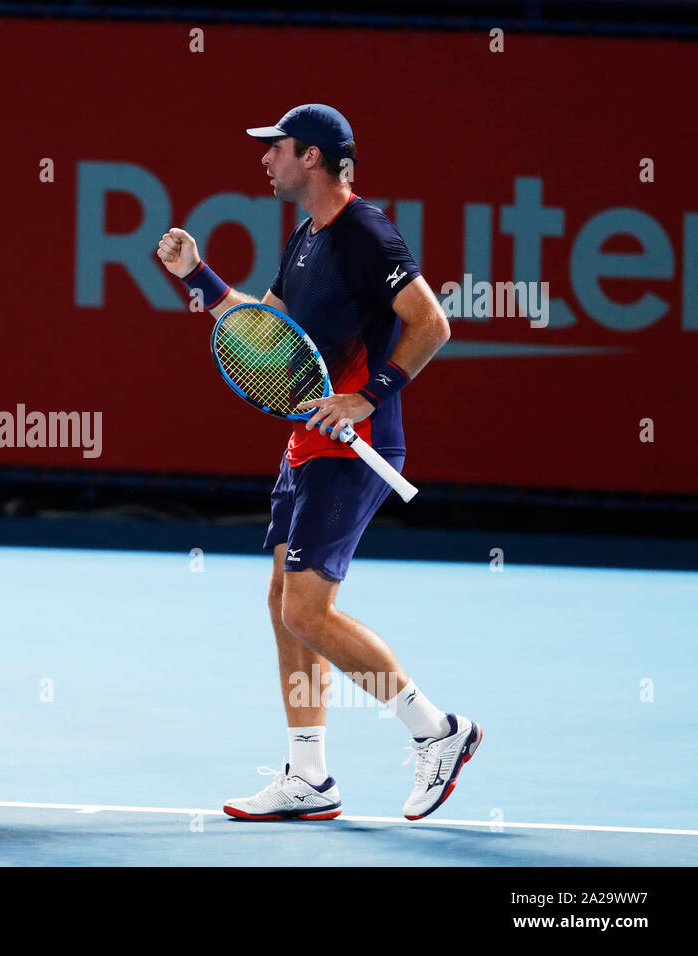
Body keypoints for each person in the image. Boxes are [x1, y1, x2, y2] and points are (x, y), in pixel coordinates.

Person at [156, 104, 480, 821]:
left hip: (353, 448)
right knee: (284, 606)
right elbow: (264, 335)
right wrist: (198, 275)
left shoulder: (367, 232)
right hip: (307, 443)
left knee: (308, 608)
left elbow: (432, 322)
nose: (264, 159)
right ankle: (309, 776)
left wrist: (371, 396)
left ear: (311, 157)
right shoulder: (304, 238)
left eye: (275, 148)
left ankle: (437, 730)